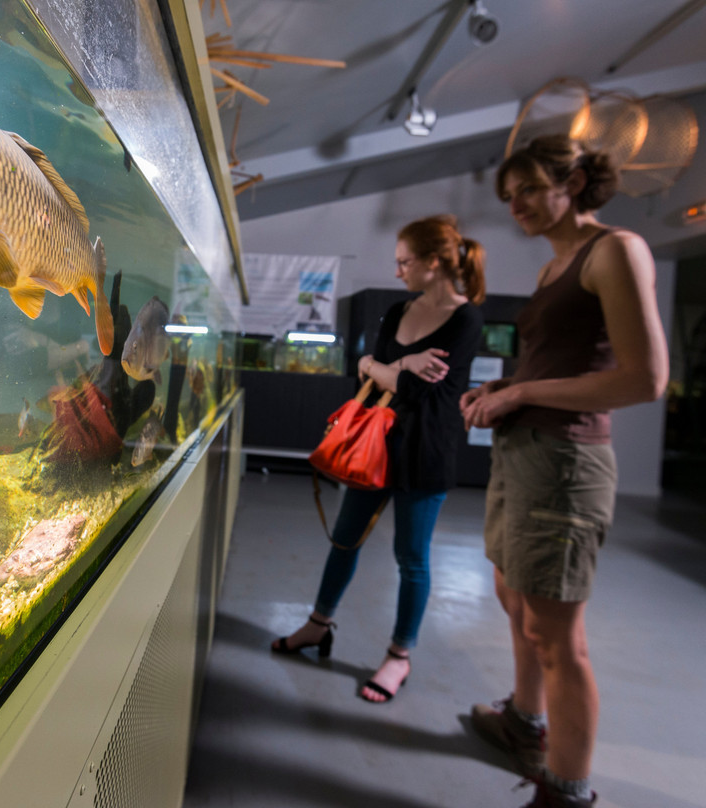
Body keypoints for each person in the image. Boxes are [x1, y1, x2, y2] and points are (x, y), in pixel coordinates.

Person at [460, 135, 668, 808]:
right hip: (523, 454)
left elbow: (644, 379)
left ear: (572, 181)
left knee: (557, 635)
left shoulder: (617, 250)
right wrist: (497, 394)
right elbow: (554, 364)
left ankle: (567, 789)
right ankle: (525, 721)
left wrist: (518, 394)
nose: (515, 204)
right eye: (508, 195)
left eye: (527, 188)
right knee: (516, 602)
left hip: (565, 462)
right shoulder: (556, 267)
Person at [271, 215, 485, 704]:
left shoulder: (467, 318)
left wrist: (388, 368)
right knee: (343, 541)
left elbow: (431, 393)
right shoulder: (396, 310)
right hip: (374, 446)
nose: (398, 271)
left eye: (405, 262)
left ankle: (399, 656)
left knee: (411, 558)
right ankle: (317, 626)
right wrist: (398, 365)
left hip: (426, 455)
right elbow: (365, 368)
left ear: (434, 263)